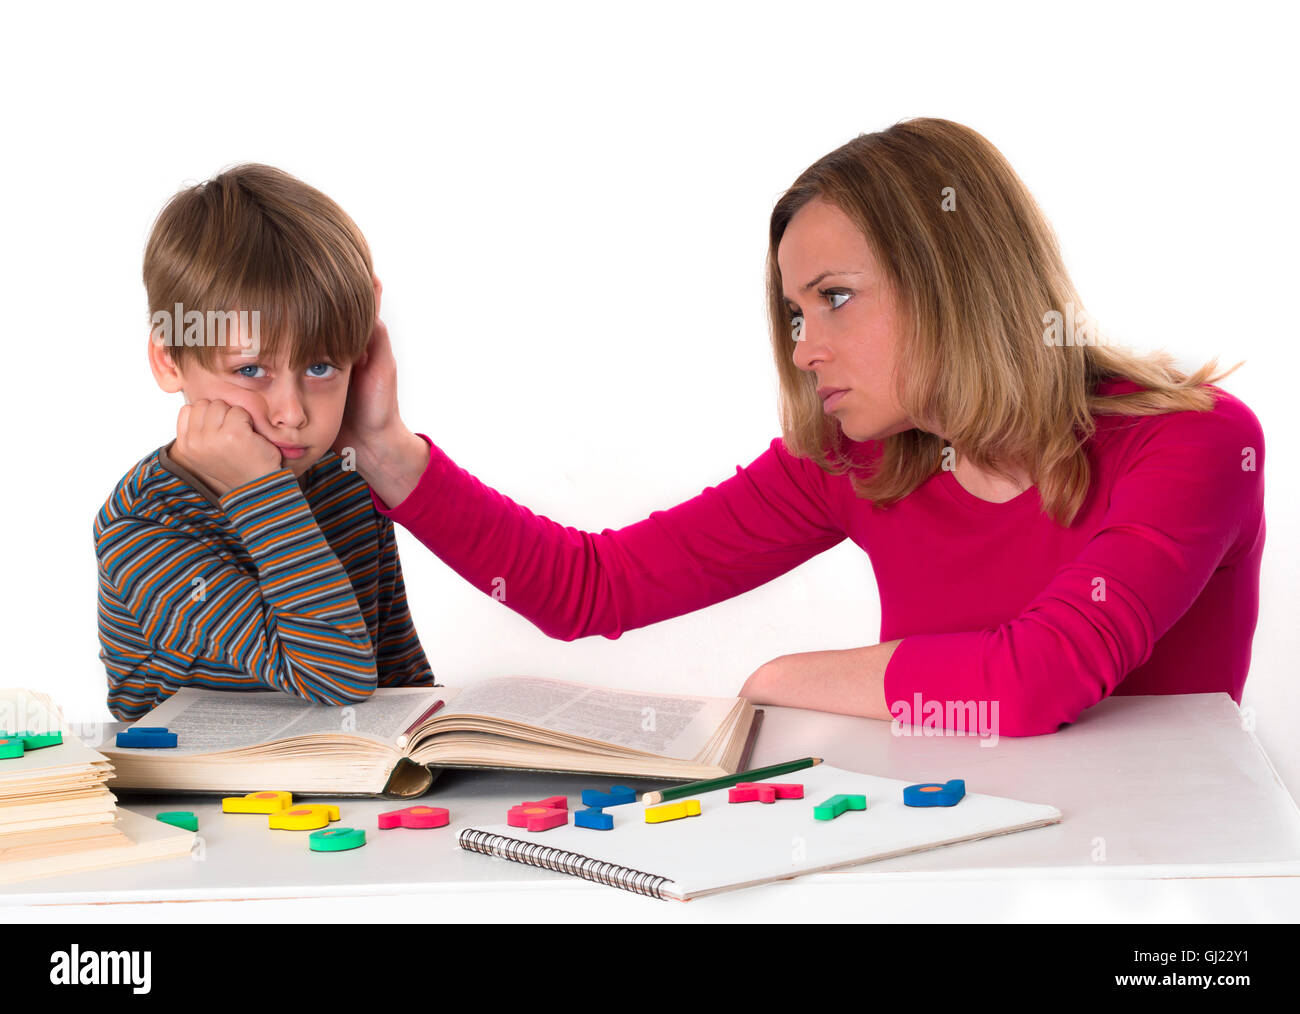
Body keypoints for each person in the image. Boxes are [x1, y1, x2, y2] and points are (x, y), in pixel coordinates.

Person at [334, 118, 1264, 738]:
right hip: (961, 862)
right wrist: (386, 451)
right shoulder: (856, 462)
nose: (806, 346)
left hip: (1163, 884)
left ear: (955, 280)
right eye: (794, 313)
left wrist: (781, 673)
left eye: (837, 300)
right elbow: (591, 588)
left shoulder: (1195, 444)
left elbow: (1033, 682)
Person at [95, 164, 434, 721]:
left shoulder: (344, 478)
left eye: (322, 366)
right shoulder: (141, 527)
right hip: (204, 800)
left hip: (343, 789)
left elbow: (397, 676)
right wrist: (261, 490)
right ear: (169, 359)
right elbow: (337, 675)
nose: (292, 413)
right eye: (251, 369)